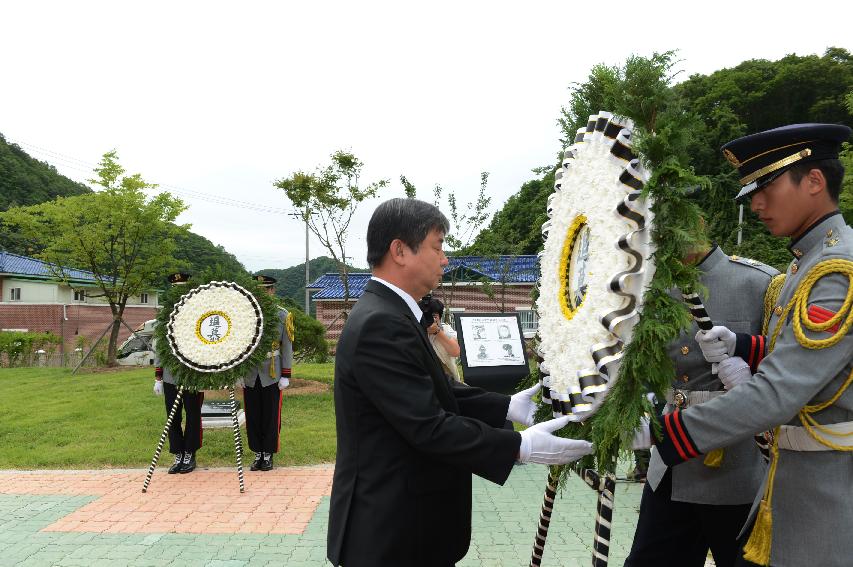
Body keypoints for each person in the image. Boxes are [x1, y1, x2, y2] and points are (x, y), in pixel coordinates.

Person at [326, 198, 593, 567]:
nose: (445, 259)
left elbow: (440, 389)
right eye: (438, 247)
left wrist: (507, 405)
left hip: (405, 524)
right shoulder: (381, 322)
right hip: (391, 531)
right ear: (400, 250)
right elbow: (428, 425)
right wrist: (519, 446)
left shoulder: (394, 312)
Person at [639, 123, 853, 567]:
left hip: (821, 488)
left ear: (814, 181)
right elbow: (808, 354)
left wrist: (667, 433)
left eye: (767, 187)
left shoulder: (835, 270)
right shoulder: (805, 265)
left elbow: (777, 393)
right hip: (789, 477)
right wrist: (746, 347)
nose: (756, 204)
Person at [625, 239, 778, 567]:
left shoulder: (759, 283)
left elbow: (791, 362)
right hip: (671, 466)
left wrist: (751, 364)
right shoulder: (653, 288)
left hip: (736, 468)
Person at [153, 272, 204, 474]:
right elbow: (159, 347)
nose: (178, 292)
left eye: (182, 288)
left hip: (191, 373)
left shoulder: (198, 313)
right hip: (170, 374)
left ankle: (190, 453)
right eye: (175, 288)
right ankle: (178, 453)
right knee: (172, 416)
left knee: (192, 414)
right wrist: (158, 376)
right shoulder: (164, 315)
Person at [242, 274, 294, 472]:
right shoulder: (245, 313)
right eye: (259, 290)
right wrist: (238, 373)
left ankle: (268, 453)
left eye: (266, 290)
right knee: (253, 414)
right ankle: (257, 452)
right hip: (249, 371)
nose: (262, 294)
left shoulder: (282, 315)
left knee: (271, 415)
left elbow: (287, 346)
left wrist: (286, 374)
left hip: (272, 371)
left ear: (272, 291)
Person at [419, 295, 462, 381]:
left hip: (447, 377)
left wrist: (437, 332)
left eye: (434, 316)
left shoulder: (446, 329)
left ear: (440, 316)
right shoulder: (415, 330)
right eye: (426, 316)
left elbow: (455, 352)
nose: (430, 319)